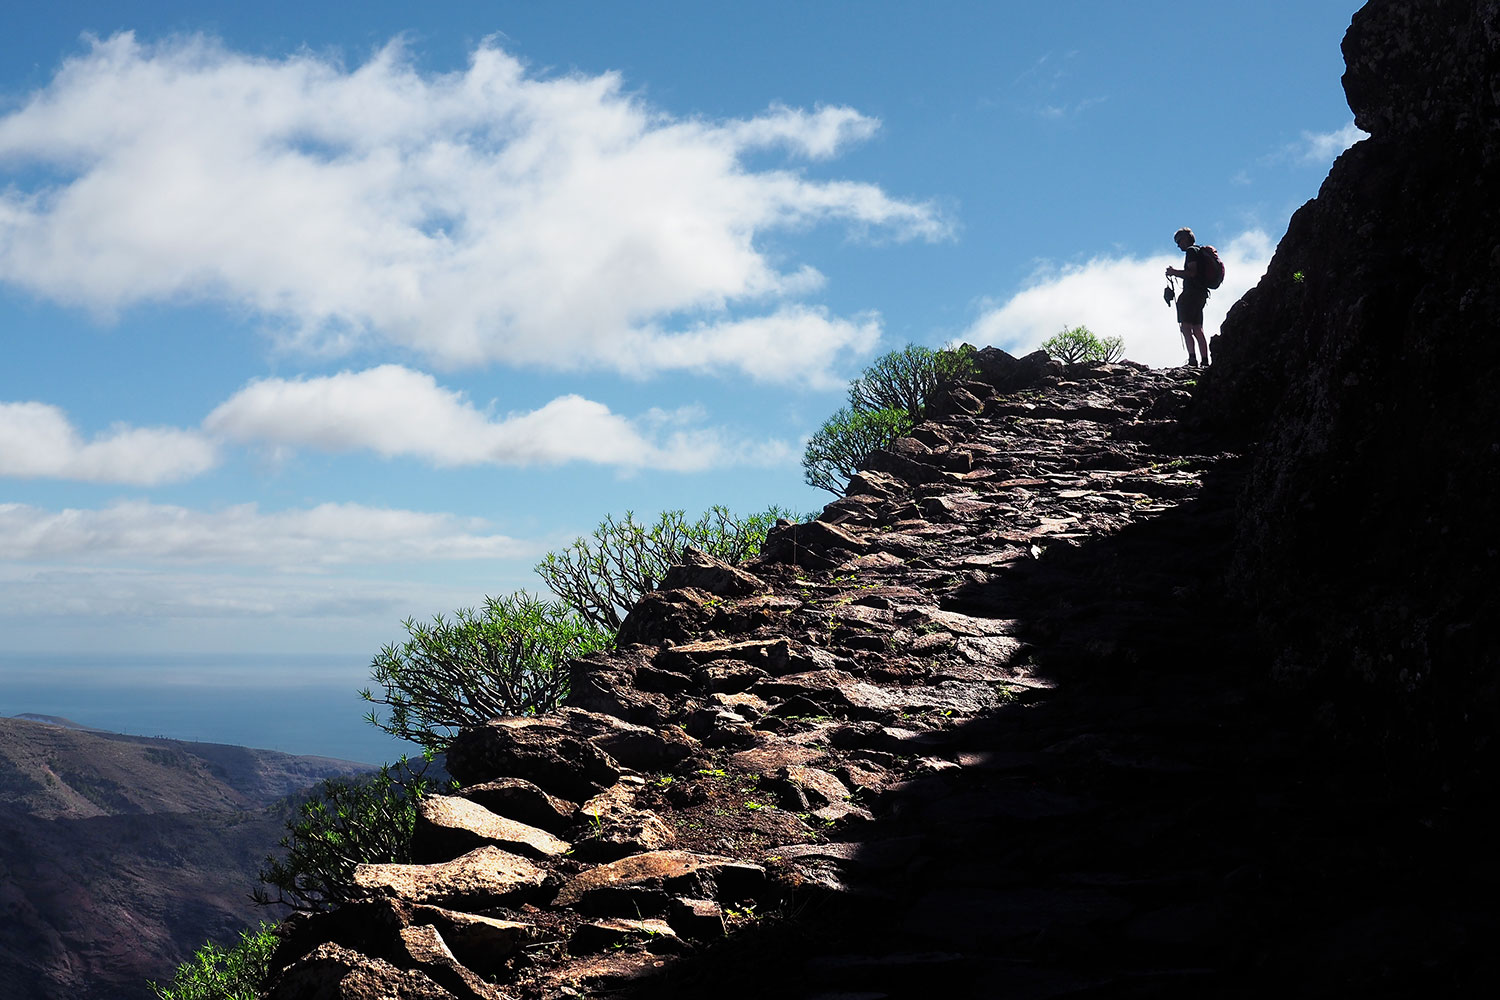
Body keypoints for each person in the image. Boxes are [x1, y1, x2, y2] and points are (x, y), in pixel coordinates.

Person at [1165, 227, 1210, 366]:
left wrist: (1173, 272)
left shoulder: (1191, 251)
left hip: (1191, 294)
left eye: (1179, 241)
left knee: (1186, 327)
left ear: (1185, 239)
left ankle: (1192, 359)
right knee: (1198, 328)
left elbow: (1191, 273)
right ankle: (1204, 361)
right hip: (1201, 294)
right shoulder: (1200, 251)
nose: (1178, 245)